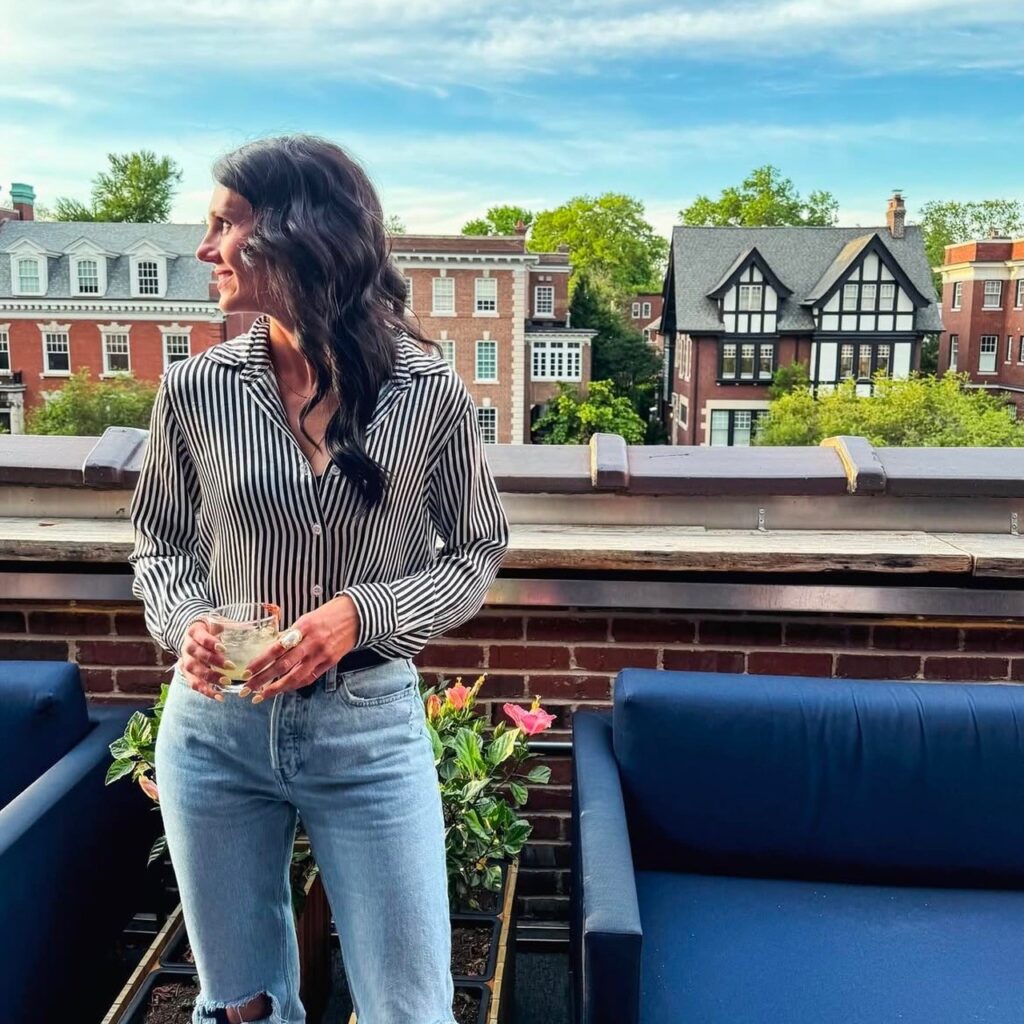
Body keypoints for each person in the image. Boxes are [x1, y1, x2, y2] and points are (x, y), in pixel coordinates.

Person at [130, 135, 509, 1024]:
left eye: (225, 224)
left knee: (410, 1008)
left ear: (296, 234)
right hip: (214, 734)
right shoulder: (194, 390)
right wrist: (187, 619)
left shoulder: (429, 389)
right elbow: (158, 541)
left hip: (368, 733)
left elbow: (476, 549)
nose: (205, 249)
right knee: (241, 1004)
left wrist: (357, 614)